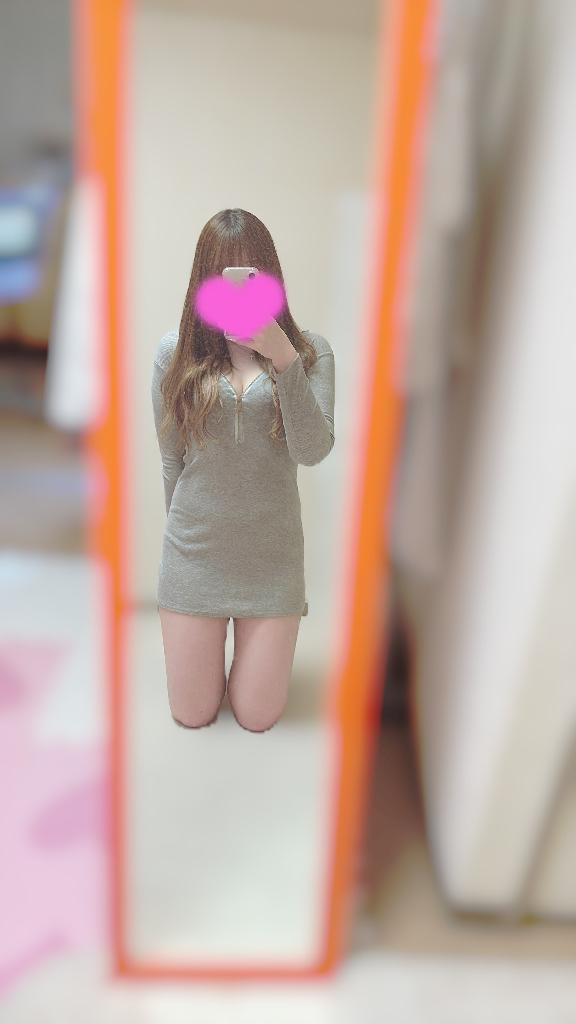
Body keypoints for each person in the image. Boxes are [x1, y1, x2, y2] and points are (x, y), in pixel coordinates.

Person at [151, 208, 335, 732]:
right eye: (223, 273)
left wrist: (283, 359)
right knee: (192, 713)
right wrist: (183, 544)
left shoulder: (311, 353)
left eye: (250, 272)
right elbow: (171, 458)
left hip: (272, 560)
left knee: (257, 715)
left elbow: (312, 451)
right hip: (195, 554)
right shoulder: (174, 353)